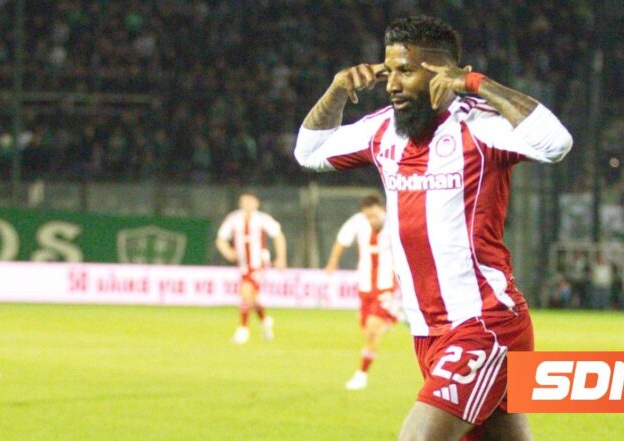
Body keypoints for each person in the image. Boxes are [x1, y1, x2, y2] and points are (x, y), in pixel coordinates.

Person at [294, 15, 573, 441]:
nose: (392, 84)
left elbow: (557, 142)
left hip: (485, 324)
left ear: (444, 71)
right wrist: (336, 90)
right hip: (428, 334)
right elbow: (309, 152)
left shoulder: (481, 126)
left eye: (406, 71)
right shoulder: (383, 130)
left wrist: (477, 83)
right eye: (389, 71)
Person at [325, 194, 399, 390]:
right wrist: (333, 261)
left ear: (382, 209)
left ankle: (361, 374)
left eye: (374, 215)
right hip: (365, 286)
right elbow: (342, 240)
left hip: (387, 286)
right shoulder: (357, 222)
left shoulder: (395, 221)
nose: (371, 220)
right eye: (368, 216)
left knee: (372, 330)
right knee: (368, 332)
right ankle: (392, 318)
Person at [216, 193, 287, 344]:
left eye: (250, 201)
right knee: (253, 299)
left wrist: (281, 258)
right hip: (243, 265)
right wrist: (227, 251)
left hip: (259, 264)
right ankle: (265, 321)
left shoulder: (262, 219)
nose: (247, 204)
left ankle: (243, 330)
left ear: (256, 203)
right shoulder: (234, 219)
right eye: (244, 201)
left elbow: (278, 236)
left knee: (245, 292)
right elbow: (221, 239)